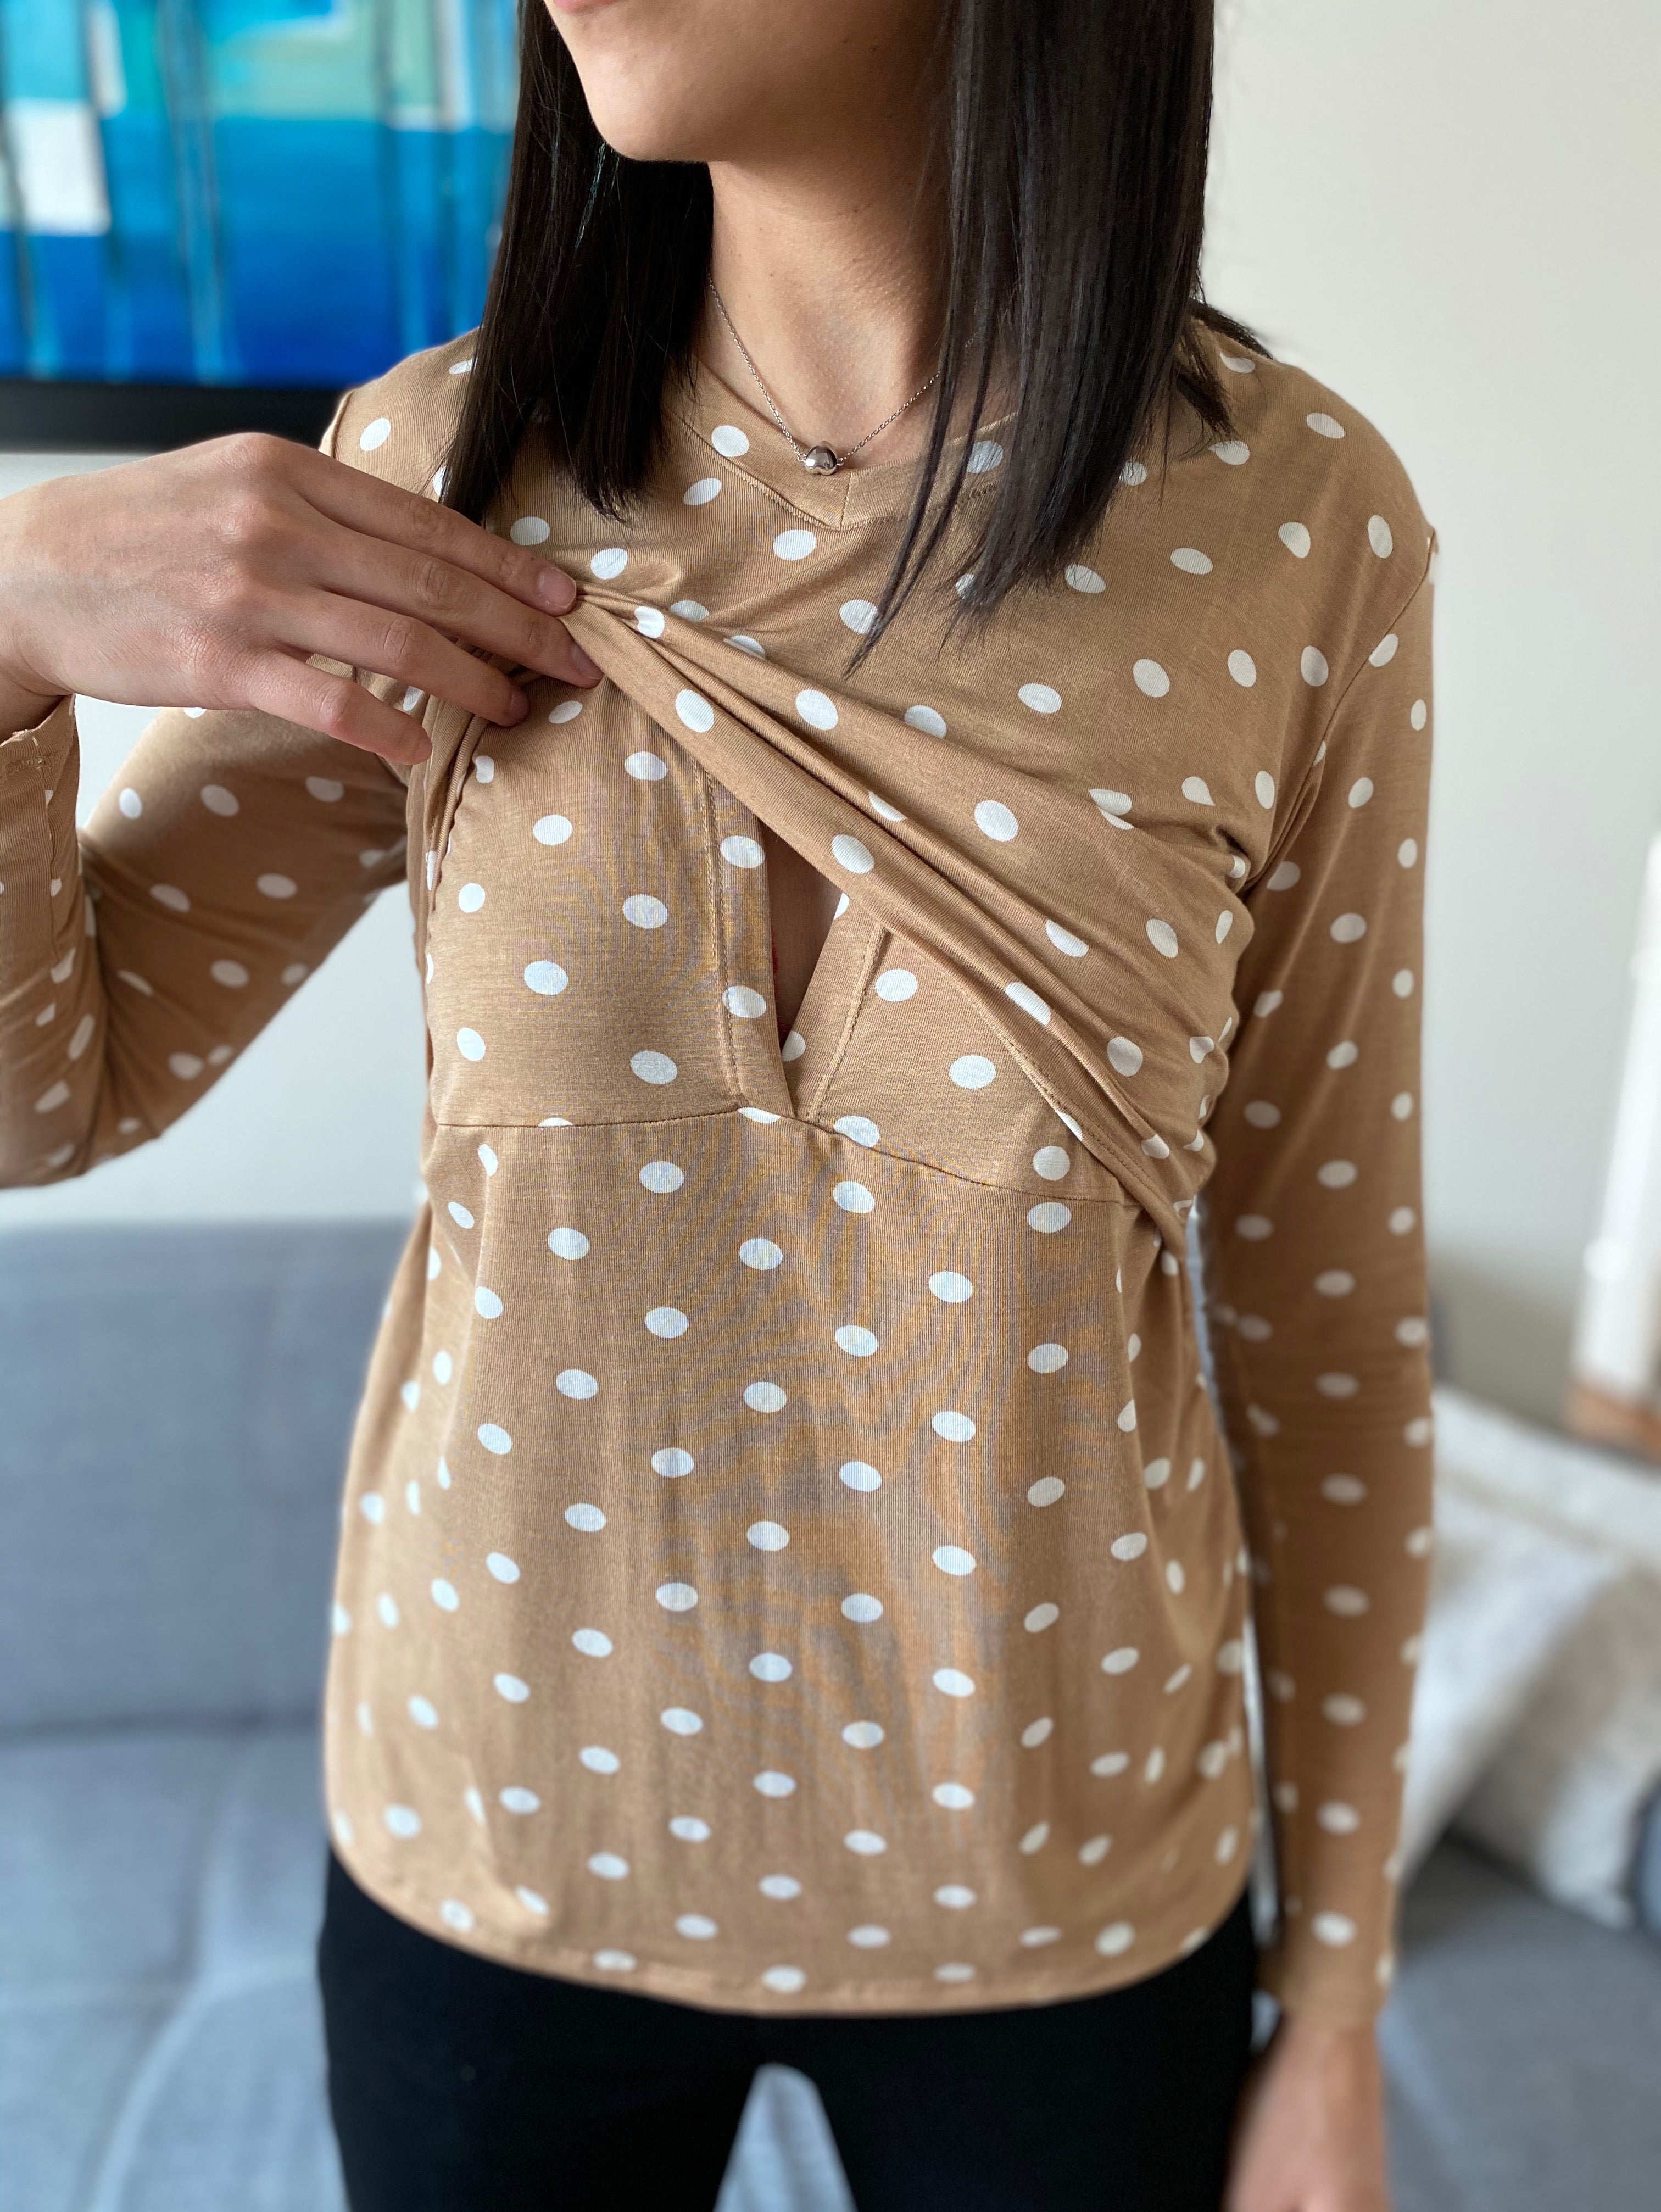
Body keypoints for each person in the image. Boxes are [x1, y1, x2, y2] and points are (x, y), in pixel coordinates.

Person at [0, 2, 1436, 2207]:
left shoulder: (1301, 531)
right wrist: (6, 629)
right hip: (500, 1859)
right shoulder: (441, 475)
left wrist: (1334, 2004)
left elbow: (1326, 1319)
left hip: (1061, 1887)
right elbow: (49, 1097)